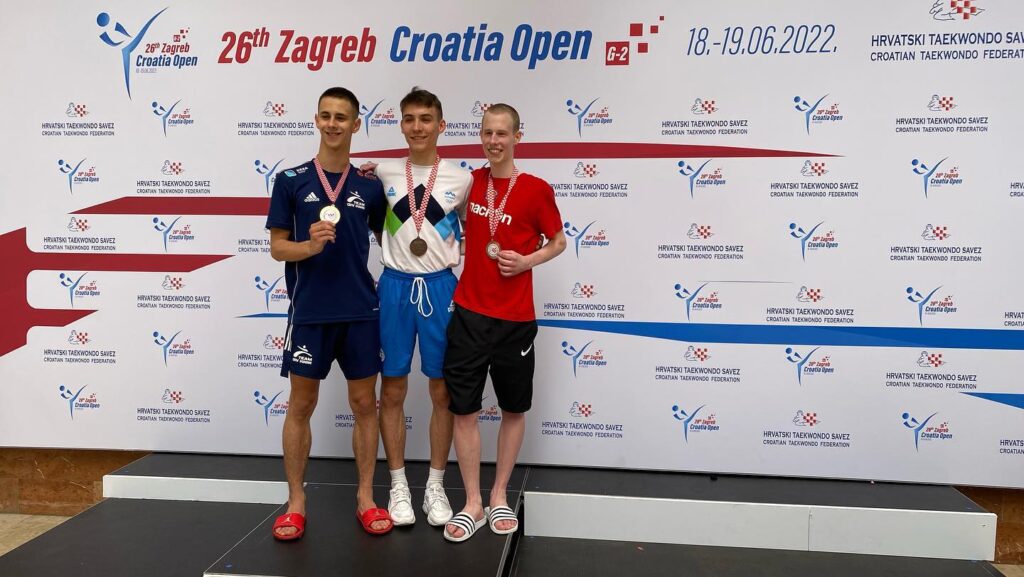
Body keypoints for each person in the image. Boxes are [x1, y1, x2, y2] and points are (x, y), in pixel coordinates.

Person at [265, 86, 390, 539]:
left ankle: (366, 498)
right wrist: (310, 246)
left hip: (360, 312)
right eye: (326, 115)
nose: (333, 124)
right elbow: (278, 247)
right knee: (301, 405)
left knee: (365, 405)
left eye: (342, 117)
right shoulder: (291, 180)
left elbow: (394, 239)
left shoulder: (369, 186)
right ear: (316, 120)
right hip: (310, 313)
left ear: (356, 124)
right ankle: (296, 502)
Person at [442, 103, 566, 542]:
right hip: (469, 314)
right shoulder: (469, 182)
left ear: (517, 136)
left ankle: (499, 496)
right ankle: (472, 503)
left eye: (501, 133)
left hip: (515, 318)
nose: (494, 141)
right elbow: (424, 185)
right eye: (487, 133)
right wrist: (372, 173)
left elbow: (558, 241)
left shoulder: (535, 189)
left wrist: (528, 261)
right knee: (464, 411)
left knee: (513, 408)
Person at [374, 88, 472, 528]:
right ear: (401, 124)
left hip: (440, 288)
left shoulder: (461, 179)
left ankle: (435, 484)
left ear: (441, 125)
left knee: (442, 392)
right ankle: (398, 485)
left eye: (426, 119)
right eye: (410, 119)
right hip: (394, 287)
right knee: (392, 389)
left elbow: (473, 228)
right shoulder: (383, 172)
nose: (418, 127)